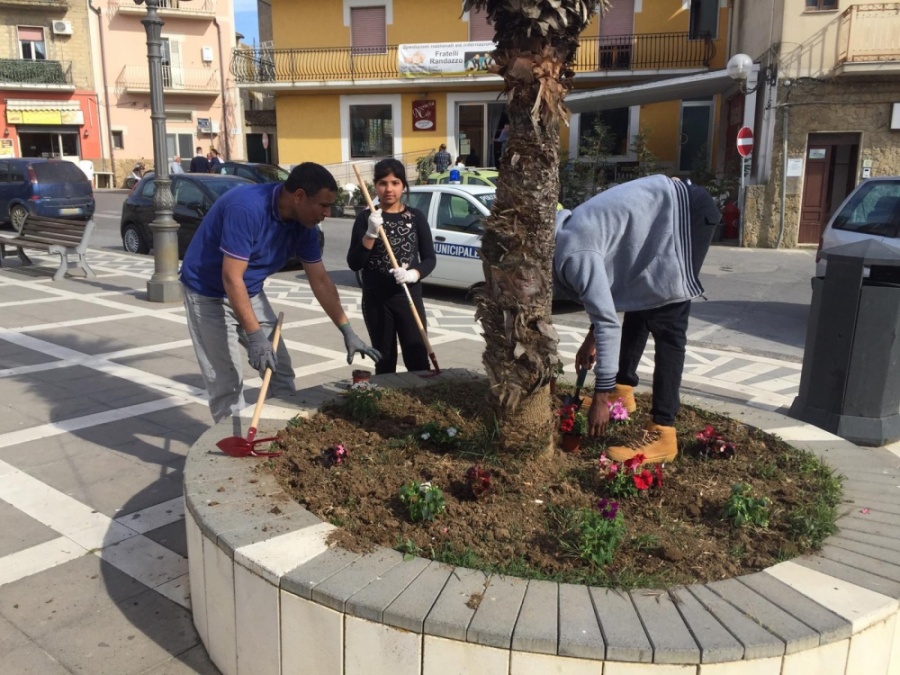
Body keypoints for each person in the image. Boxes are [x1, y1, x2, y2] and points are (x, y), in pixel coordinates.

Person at [180, 162, 381, 422]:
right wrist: (254, 336)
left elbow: (320, 280)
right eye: (323, 205)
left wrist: (347, 330)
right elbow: (231, 278)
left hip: (248, 291)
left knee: (280, 371)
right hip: (207, 293)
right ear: (298, 196)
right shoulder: (246, 208)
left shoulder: (305, 225)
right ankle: (235, 450)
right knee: (226, 383)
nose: (328, 212)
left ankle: (281, 433)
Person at [553, 174, 720, 463]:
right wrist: (591, 339)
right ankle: (623, 390)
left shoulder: (573, 255)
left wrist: (600, 396)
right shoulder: (564, 237)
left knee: (667, 320)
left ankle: (663, 431)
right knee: (640, 300)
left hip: (687, 214)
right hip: (662, 217)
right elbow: (608, 293)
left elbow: (608, 322)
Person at [347, 158, 436, 375]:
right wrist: (370, 233)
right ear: (375, 186)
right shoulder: (366, 217)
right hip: (376, 299)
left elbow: (429, 259)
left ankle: (418, 401)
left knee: (416, 357)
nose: (389, 189)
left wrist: (413, 274)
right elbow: (354, 263)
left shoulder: (415, 217)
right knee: (384, 359)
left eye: (395, 183)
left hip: (408, 297)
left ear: (403, 185)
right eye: (383, 183)